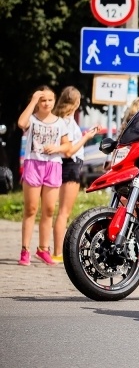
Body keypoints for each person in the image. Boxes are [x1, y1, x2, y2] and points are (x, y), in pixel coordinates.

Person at [17, 86, 71, 266]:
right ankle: (25, 249)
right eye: (43, 100)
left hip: (53, 165)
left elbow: (67, 147)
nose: (46, 103)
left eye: (49, 100)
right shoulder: (32, 119)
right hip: (33, 163)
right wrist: (33, 100)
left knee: (49, 210)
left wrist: (57, 148)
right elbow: (21, 124)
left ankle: (43, 249)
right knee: (31, 209)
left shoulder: (60, 122)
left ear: (54, 101)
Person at [52, 87, 98, 263]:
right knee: (64, 212)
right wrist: (86, 138)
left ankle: (54, 250)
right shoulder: (67, 122)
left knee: (60, 211)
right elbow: (70, 151)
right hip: (71, 166)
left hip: (63, 165)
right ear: (76, 102)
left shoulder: (58, 119)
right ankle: (58, 252)